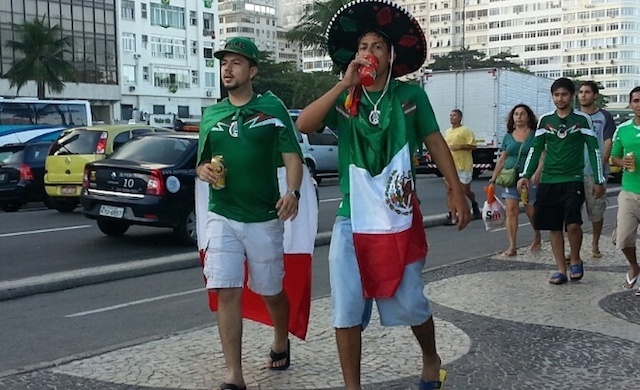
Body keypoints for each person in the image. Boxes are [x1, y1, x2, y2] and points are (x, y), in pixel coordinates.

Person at [295, 1, 470, 389]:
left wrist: (456, 191)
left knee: (410, 302)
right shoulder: (346, 98)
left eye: (377, 46)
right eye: (362, 47)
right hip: (351, 217)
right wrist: (344, 83)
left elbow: (436, 142)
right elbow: (305, 123)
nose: (368, 53)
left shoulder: (409, 97)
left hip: (398, 216)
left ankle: (430, 356)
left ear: (391, 56)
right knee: (345, 308)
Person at [196, 37, 303, 390]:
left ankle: (280, 339)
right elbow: (202, 163)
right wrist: (204, 172)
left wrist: (292, 191)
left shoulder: (273, 108)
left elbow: (292, 156)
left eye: (237, 63)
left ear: (253, 70)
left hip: (263, 216)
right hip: (222, 212)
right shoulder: (211, 115)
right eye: (224, 62)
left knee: (271, 290)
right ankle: (234, 374)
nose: (228, 68)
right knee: (226, 288)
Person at [517, 77, 605, 285]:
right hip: (549, 181)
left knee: (573, 225)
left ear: (571, 96)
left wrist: (599, 180)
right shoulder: (545, 121)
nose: (560, 99)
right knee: (554, 226)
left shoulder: (582, 120)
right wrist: (525, 176)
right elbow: (535, 149)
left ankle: (575, 258)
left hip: (573, 179)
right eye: (556, 95)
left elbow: (594, 149)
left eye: (564, 94)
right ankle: (560, 269)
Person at [488, 104, 542, 256]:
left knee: (530, 209)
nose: (518, 117)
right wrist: (493, 179)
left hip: (528, 178)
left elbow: (542, 155)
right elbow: (503, 158)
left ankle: (537, 234)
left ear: (528, 117)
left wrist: (537, 172)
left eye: (522, 114)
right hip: (511, 178)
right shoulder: (508, 136)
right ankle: (512, 245)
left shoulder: (535, 135)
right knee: (511, 210)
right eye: (516, 114)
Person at [578, 81, 616, 258]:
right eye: (581, 92)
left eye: (587, 92)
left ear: (595, 95)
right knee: (571, 212)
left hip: (595, 172)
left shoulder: (605, 116)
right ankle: (573, 248)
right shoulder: (573, 116)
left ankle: (595, 243)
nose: (583, 95)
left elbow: (608, 142)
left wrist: (600, 167)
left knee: (596, 211)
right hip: (575, 170)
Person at [610, 86, 640, 296]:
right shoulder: (622, 129)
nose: (639, 104)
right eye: (636, 100)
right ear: (631, 104)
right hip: (629, 191)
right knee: (623, 239)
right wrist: (622, 162)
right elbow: (613, 158)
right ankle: (634, 265)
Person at [444, 109, 481, 221]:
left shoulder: (465, 131)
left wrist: (460, 146)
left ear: (460, 118)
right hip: (451, 165)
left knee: (464, 190)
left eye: (454, 115)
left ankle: (474, 203)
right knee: (450, 190)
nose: (451, 117)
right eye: (450, 115)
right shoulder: (448, 132)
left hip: (463, 165)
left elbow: (473, 146)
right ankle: (452, 215)